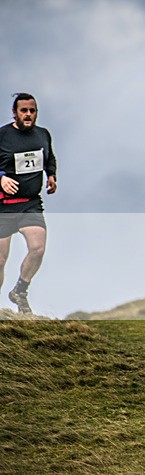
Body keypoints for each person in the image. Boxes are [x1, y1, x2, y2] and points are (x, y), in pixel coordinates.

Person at [0, 93, 58, 314]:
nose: (28, 115)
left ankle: (19, 291)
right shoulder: (3, 135)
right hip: (4, 206)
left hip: (30, 204)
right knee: (0, 260)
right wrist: (1, 178)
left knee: (38, 248)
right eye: (23, 110)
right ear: (15, 112)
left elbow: (49, 157)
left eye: (32, 111)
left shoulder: (43, 135)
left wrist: (51, 175)